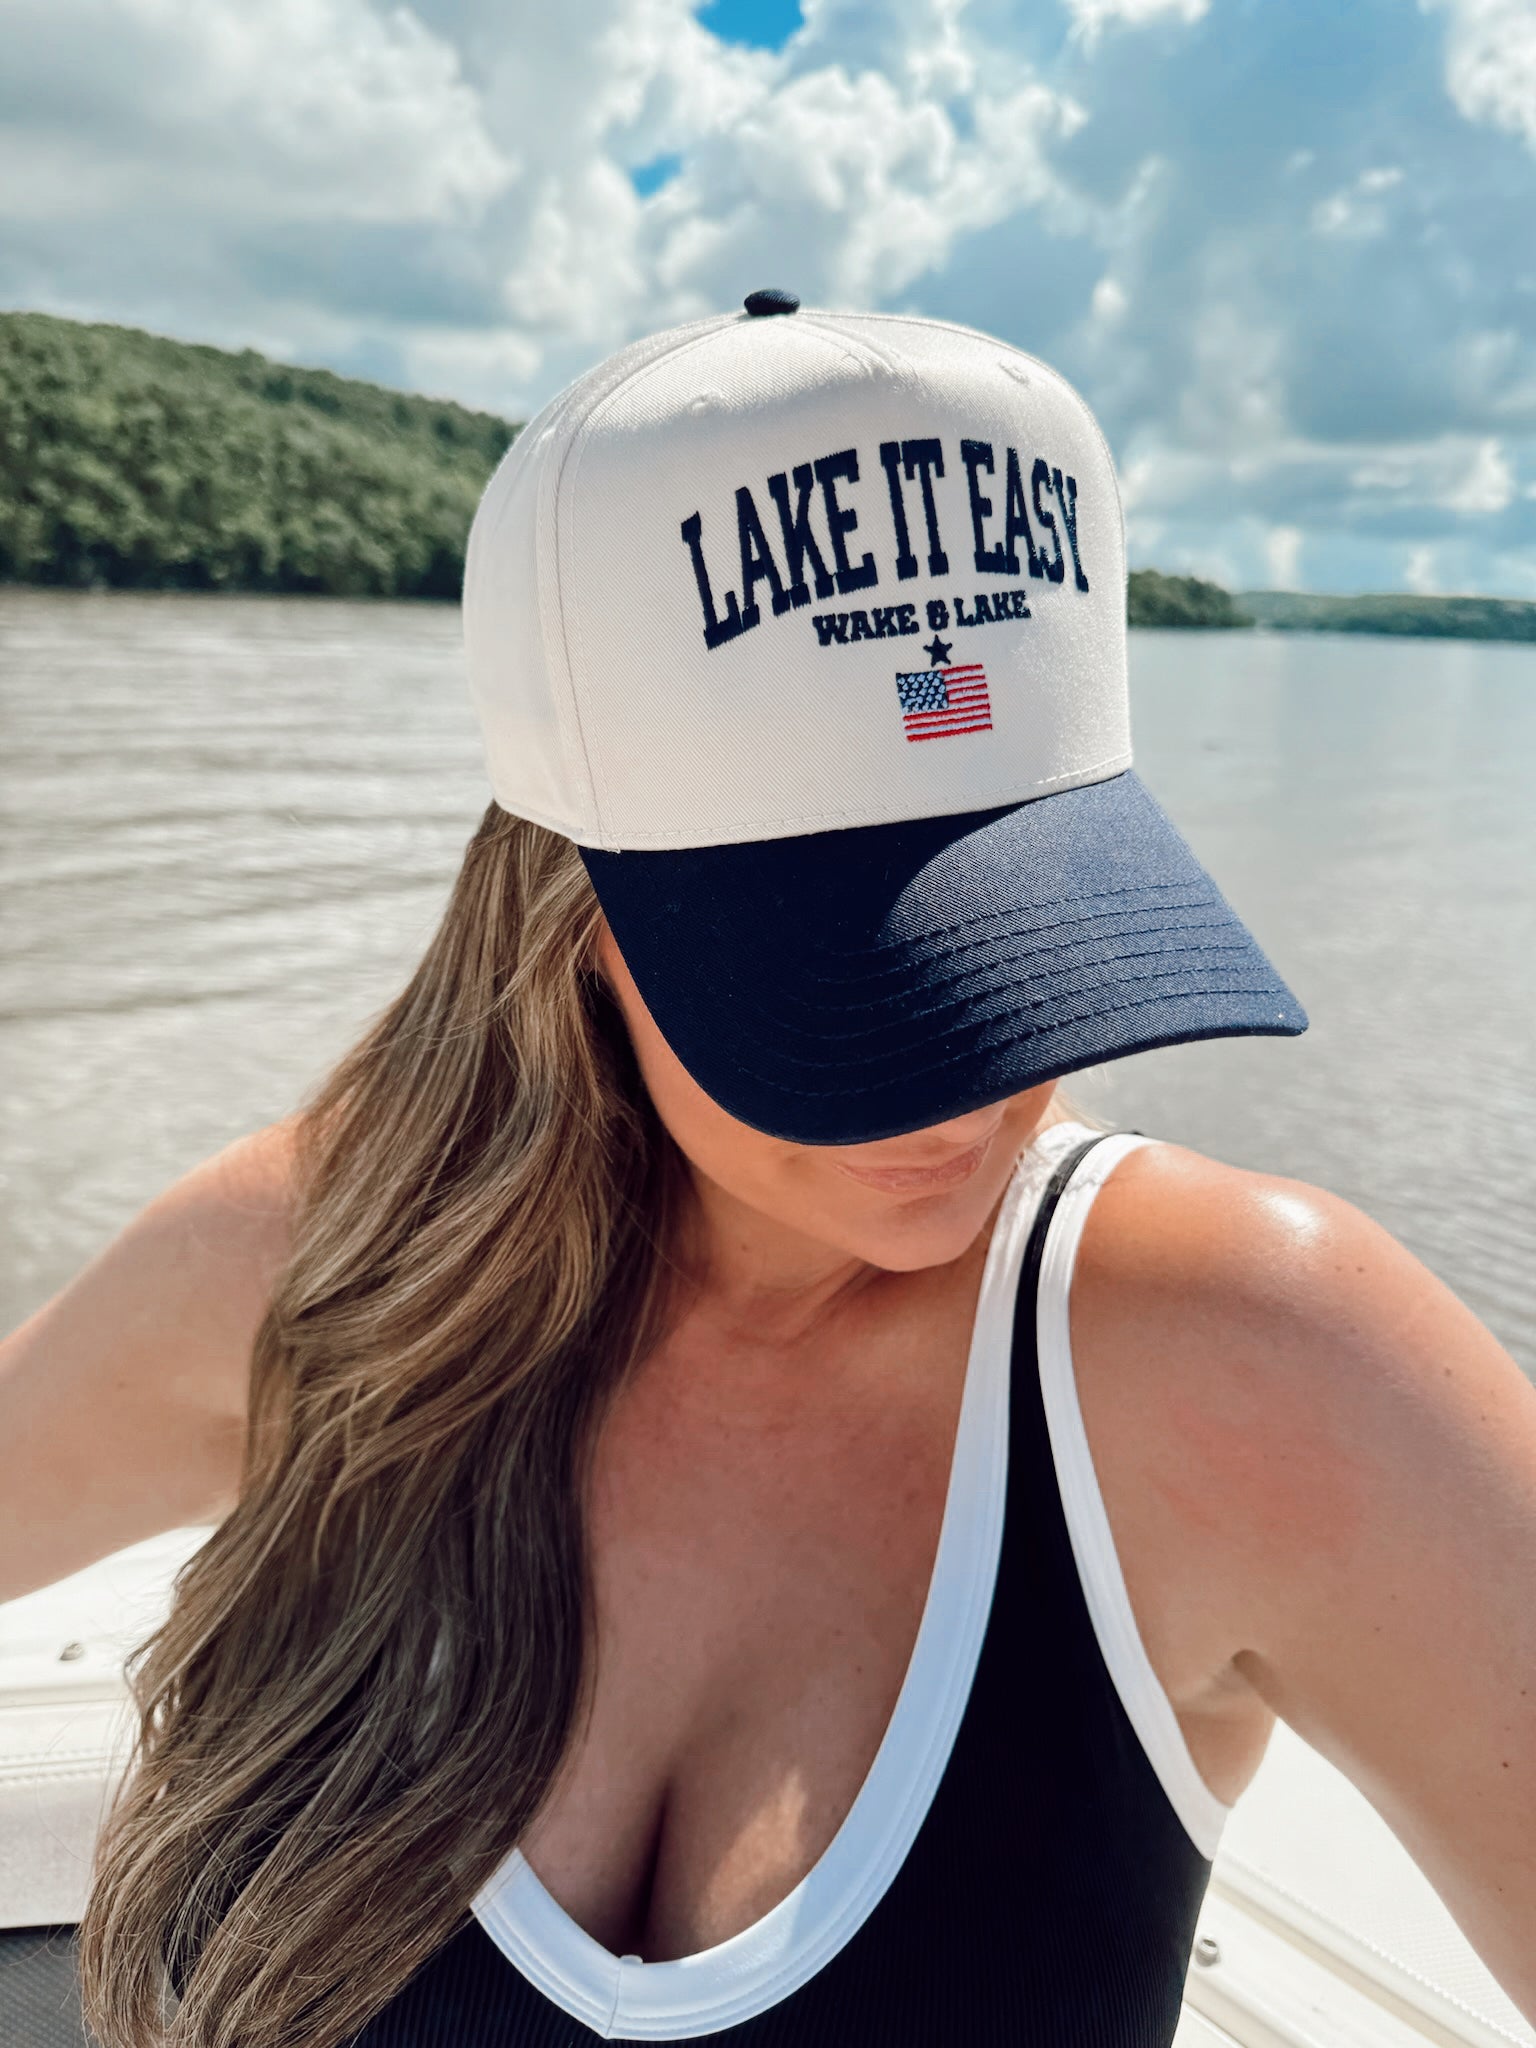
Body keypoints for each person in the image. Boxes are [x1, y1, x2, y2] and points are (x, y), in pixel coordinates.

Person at [2, 294, 1533, 2048]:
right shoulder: (314, 1270)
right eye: (850, 975)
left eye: (1030, 938)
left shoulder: (1255, 1362)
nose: (968, 1085)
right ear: (571, 923)